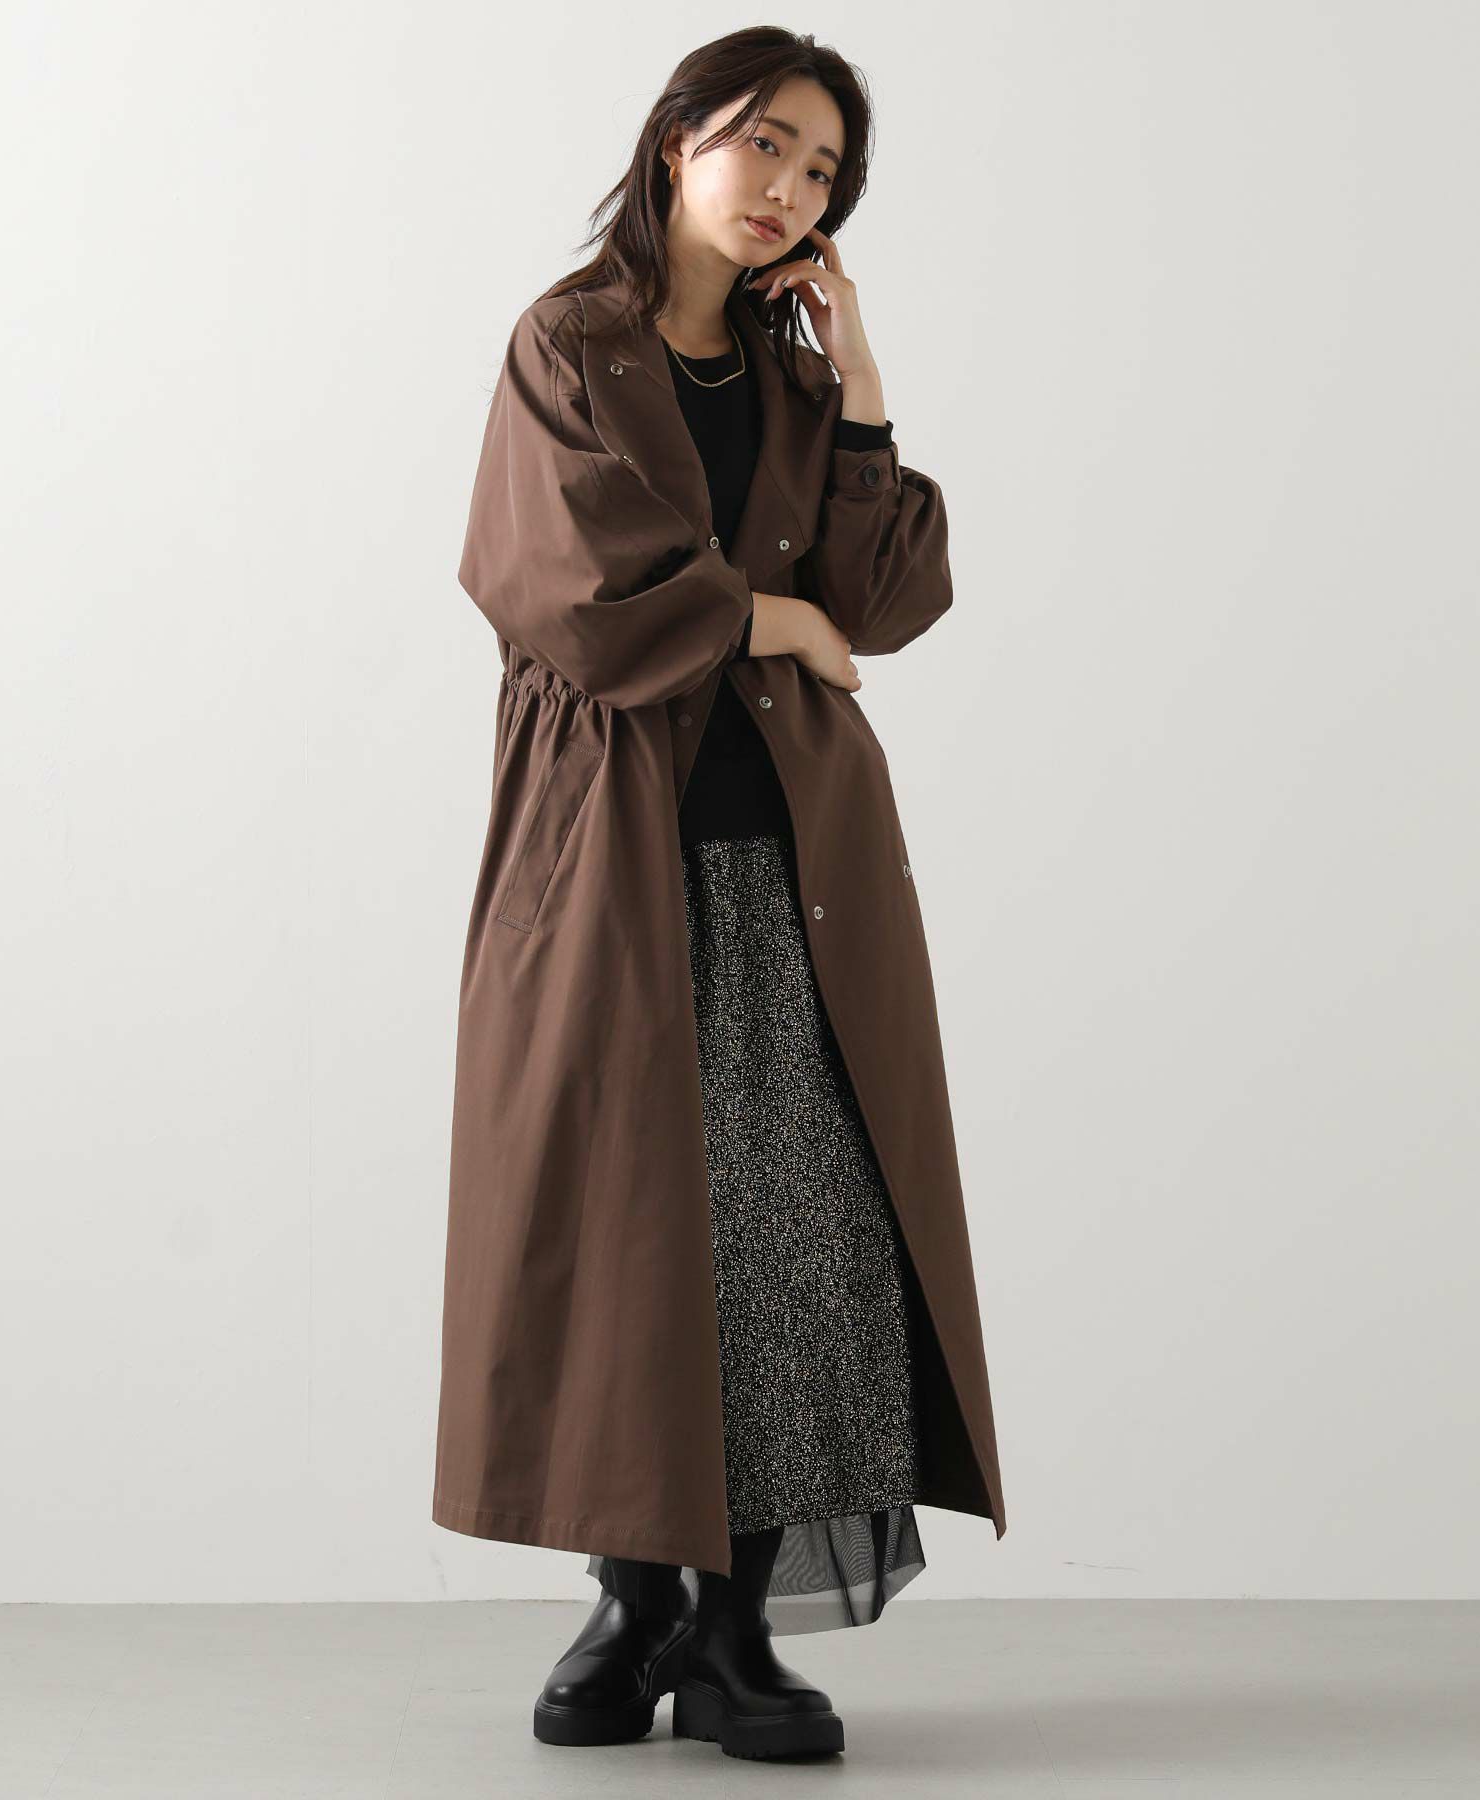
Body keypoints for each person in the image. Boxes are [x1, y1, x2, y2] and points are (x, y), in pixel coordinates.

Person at [434, 26, 1007, 1763]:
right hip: (608, 857)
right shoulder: (568, 343)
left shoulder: (797, 374)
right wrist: (769, 616)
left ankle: (736, 1630)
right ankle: (635, 1607)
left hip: (795, 863)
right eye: (764, 144)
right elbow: (565, 586)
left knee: (791, 1240)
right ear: (678, 136)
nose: (787, 190)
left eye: (821, 171)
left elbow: (888, 597)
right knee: (627, 1232)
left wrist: (866, 380)